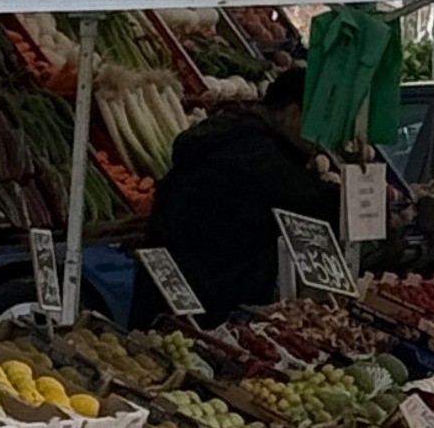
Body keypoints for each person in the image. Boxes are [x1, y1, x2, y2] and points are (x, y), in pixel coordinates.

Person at [134, 67, 343, 327]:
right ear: (292, 114)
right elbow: (317, 204)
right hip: (200, 301)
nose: (323, 136)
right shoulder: (259, 155)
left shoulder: (234, 131)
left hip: (174, 286)